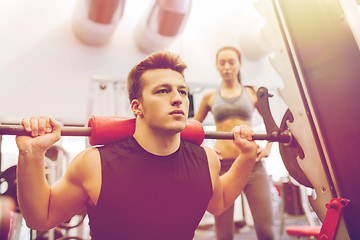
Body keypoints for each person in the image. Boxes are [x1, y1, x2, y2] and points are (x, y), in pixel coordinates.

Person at [15, 51, 258, 240]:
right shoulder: (94, 164)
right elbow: (41, 218)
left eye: (182, 92)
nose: (177, 99)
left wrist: (246, 157)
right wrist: (31, 154)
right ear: (136, 107)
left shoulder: (206, 159)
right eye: (162, 91)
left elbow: (220, 201)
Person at [193, 46, 275, 240]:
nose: (227, 67)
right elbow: (194, 130)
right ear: (217, 66)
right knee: (224, 234)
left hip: (253, 166)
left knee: (266, 230)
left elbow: (273, 126)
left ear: (240, 64)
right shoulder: (209, 97)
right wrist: (203, 152)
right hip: (222, 167)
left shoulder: (252, 93)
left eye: (231, 62)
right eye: (222, 63)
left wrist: (268, 148)